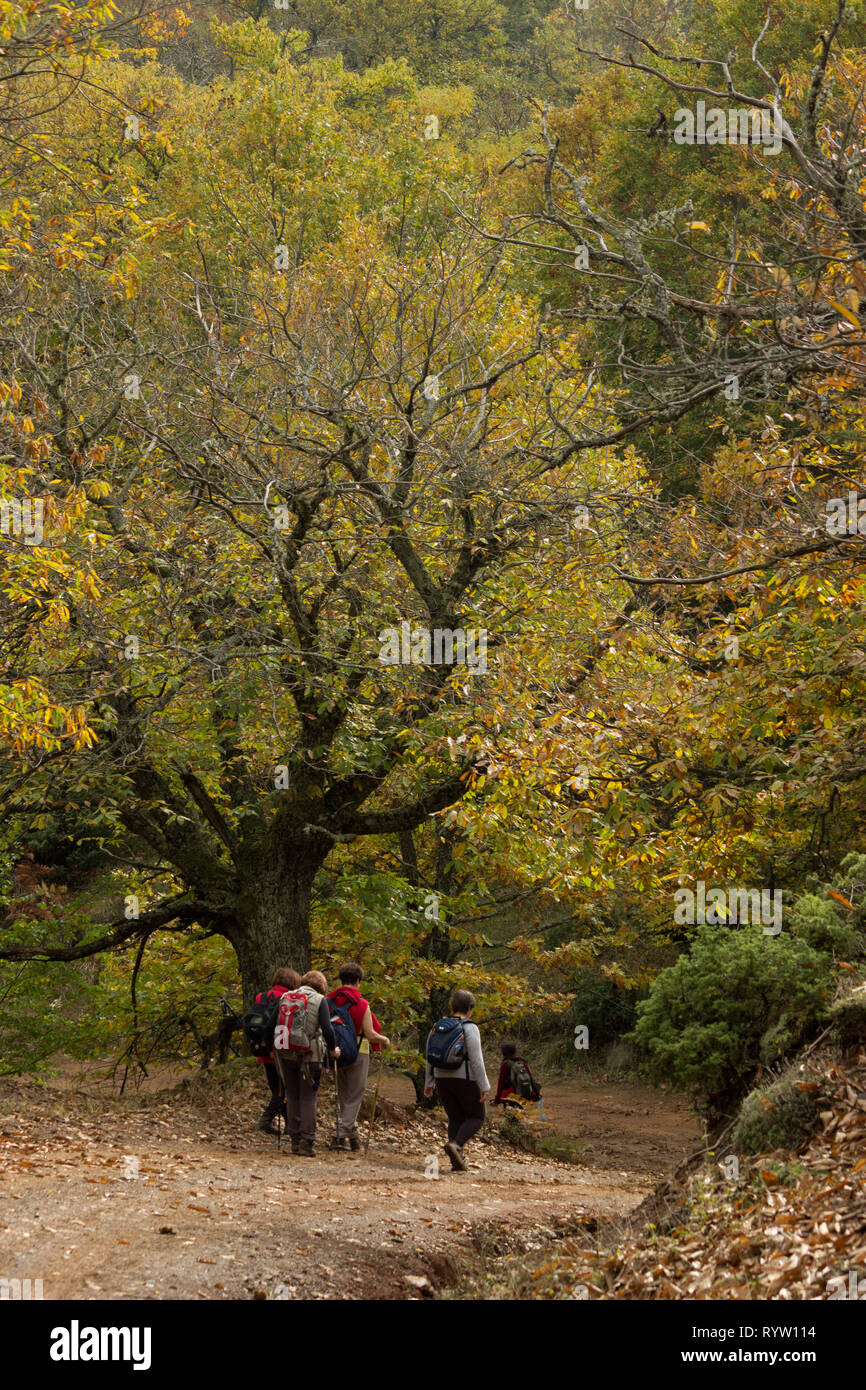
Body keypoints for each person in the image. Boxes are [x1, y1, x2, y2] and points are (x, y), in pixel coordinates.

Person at [275, 969, 340, 1157]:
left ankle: (294, 1139)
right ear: (322, 987)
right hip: (310, 1055)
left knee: (292, 1095)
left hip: (286, 1053)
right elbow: (328, 1030)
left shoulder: (285, 997)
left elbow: (274, 1022)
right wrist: (332, 1050)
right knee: (308, 1097)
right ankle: (307, 1140)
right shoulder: (320, 1000)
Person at [327, 961, 390, 1151]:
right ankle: (339, 1135)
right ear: (357, 981)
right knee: (355, 1095)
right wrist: (384, 1040)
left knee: (346, 1095)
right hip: (358, 1051)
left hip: (335, 1052)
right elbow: (370, 1034)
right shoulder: (361, 1003)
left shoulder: (328, 1002)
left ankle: (353, 1138)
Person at [424, 988, 489, 1172]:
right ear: (470, 1008)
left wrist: (429, 1082)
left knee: (455, 1118)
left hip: (441, 1078)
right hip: (465, 1078)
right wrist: (484, 1085)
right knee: (477, 1116)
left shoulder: (437, 1026)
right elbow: (476, 1060)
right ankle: (457, 1145)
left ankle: (457, 1162)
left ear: (452, 1006)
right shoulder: (470, 1027)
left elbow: (429, 1055)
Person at [254, 967, 301, 1135]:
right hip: (280, 1049)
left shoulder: (261, 996)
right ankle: (265, 1120)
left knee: (277, 1088)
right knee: (283, 1091)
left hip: (263, 1049)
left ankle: (290, 1125)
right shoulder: (287, 998)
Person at [493, 1038, 540, 1109]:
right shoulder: (522, 1061)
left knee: (511, 1117)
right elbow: (530, 1078)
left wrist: (497, 1100)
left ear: (503, 1052)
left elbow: (501, 1083)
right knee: (520, 1114)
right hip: (523, 1095)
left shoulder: (506, 1064)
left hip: (511, 1097)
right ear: (515, 1050)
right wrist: (536, 1092)